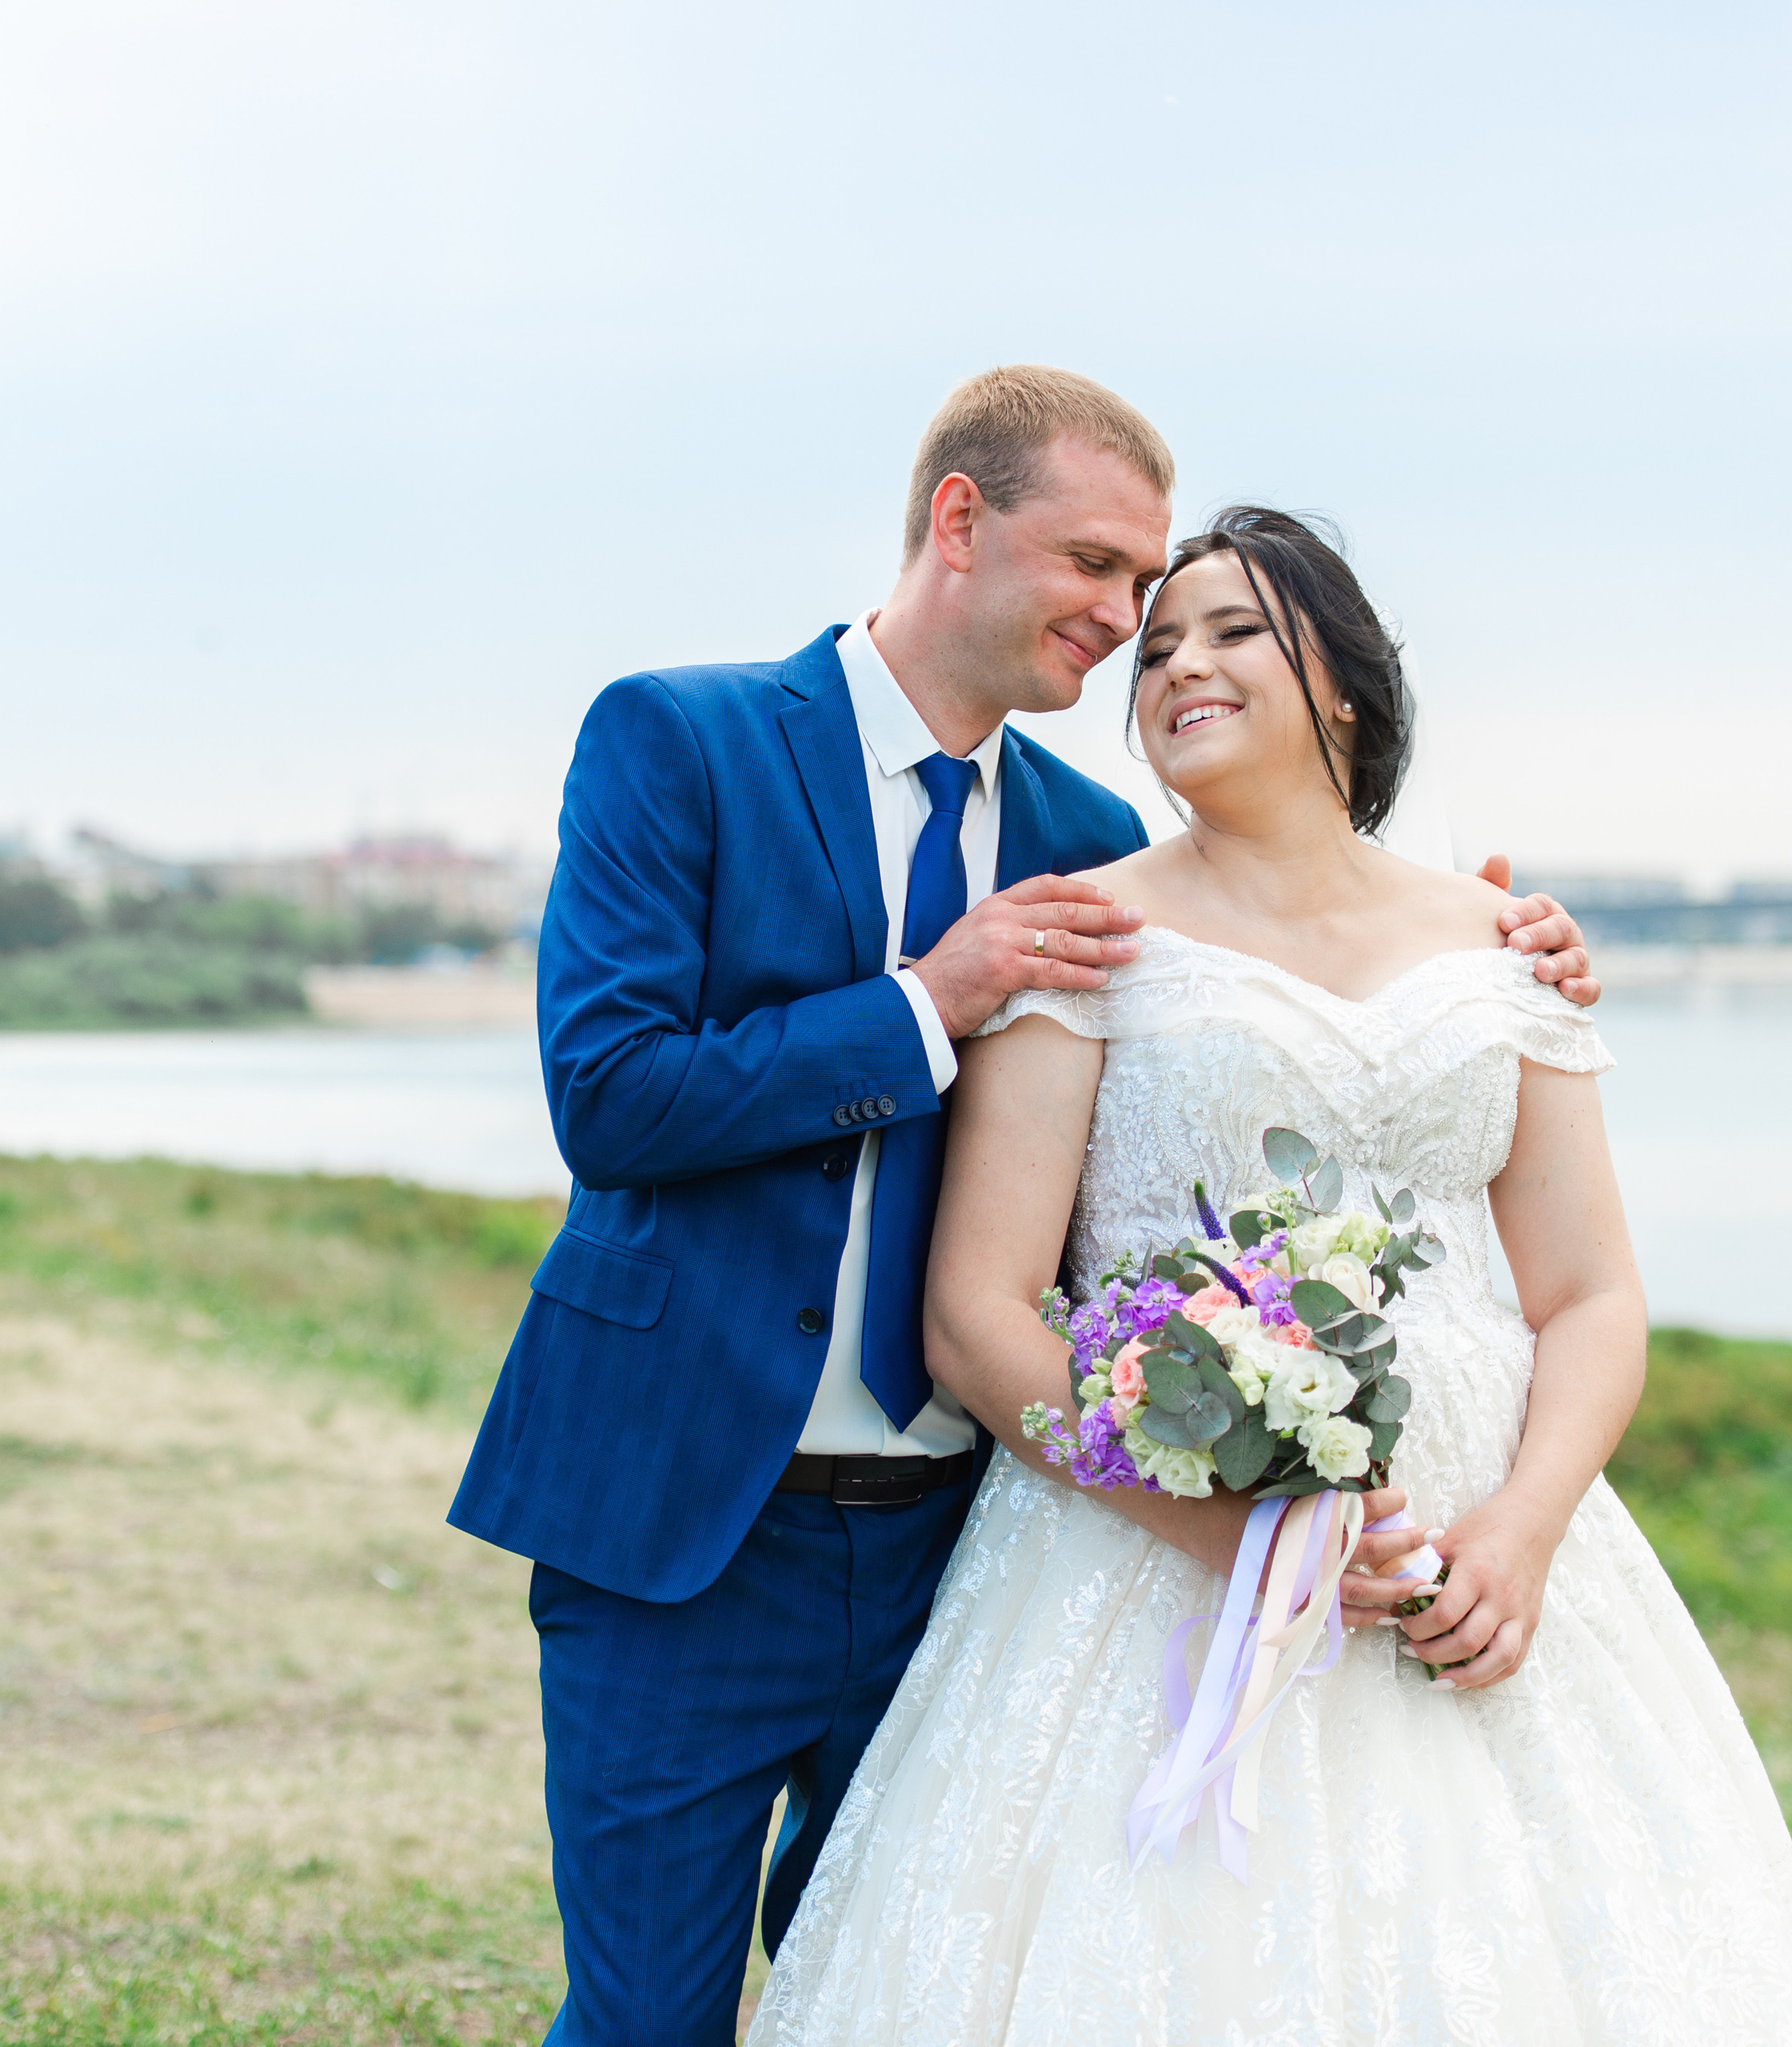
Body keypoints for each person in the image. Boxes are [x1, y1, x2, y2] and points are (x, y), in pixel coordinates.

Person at [448, 373, 1598, 2046]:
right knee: (645, 2019)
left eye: (1147, 585)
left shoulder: (1089, 838)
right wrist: (930, 998)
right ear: (959, 520)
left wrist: (1493, 959)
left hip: (961, 1539)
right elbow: (610, 1097)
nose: (1125, 621)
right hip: (686, 1517)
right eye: (1098, 567)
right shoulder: (680, 738)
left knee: (880, 1998)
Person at [748, 508, 1791, 2045]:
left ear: (1346, 683)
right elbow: (976, 1318)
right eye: (1158, 648)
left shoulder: (1505, 946)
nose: (1181, 664)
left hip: (1472, 1538)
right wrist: (1239, 1540)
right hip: (1151, 1549)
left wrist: (1522, 1534)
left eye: (1235, 630)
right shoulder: (1087, 939)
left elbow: (1589, 1295)